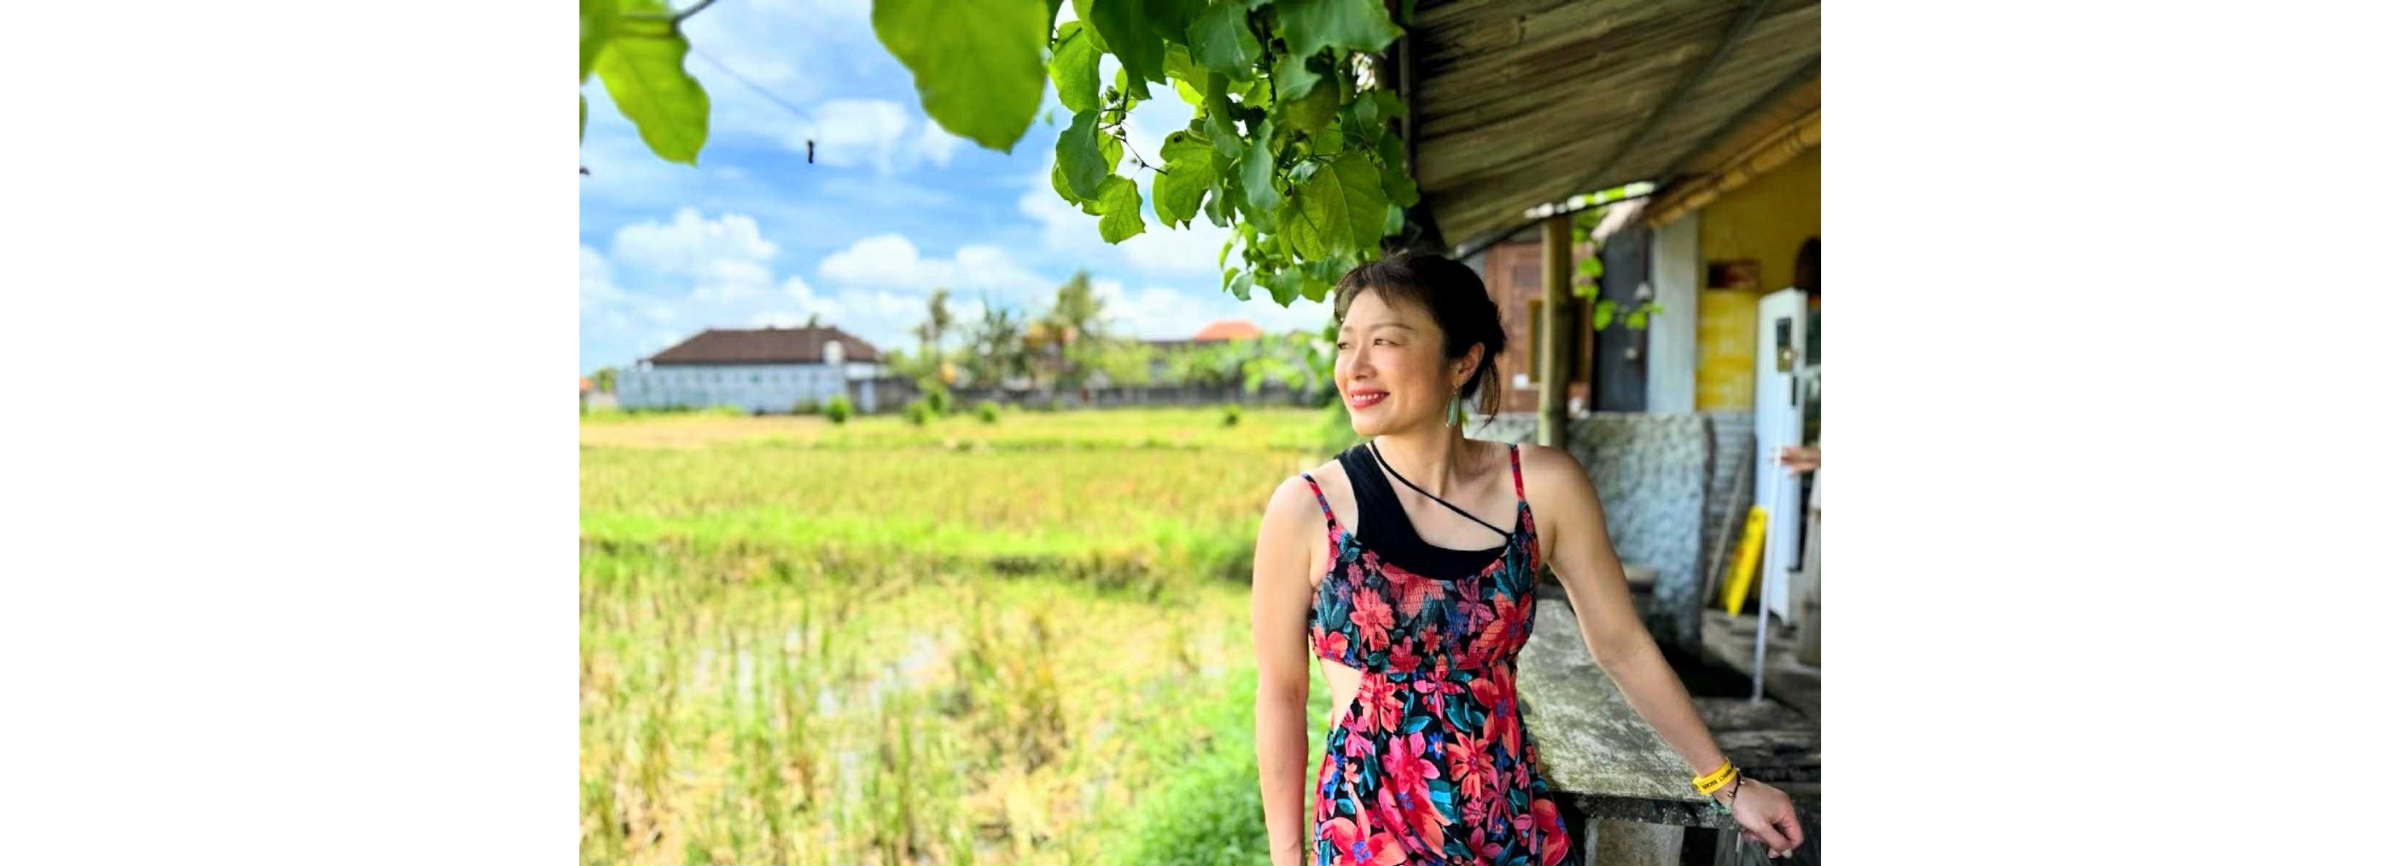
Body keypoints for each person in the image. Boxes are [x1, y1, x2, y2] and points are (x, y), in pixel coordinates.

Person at [1251, 253, 1806, 865]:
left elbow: (1622, 645)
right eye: (1345, 343)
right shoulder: (1307, 509)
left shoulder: (1542, 487)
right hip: (1367, 836)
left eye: (1384, 341)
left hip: (1512, 831)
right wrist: (1287, 857)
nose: (1354, 366)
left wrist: (1728, 784)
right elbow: (1281, 693)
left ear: (1463, 362)